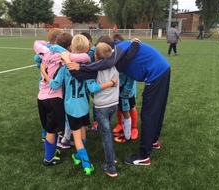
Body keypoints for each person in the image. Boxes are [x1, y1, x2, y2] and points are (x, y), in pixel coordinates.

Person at [64, 35, 170, 166]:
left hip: (156, 73)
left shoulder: (118, 50)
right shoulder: (120, 52)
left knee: (149, 113)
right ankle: (153, 140)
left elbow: (106, 63)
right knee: (156, 111)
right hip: (160, 70)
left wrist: (78, 66)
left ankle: (144, 156)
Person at [42, 35, 118, 175]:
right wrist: (111, 84)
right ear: (87, 49)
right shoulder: (88, 67)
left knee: (76, 136)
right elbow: (93, 88)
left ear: (71, 47)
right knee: (82, 130)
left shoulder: (65, 68)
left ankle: (86, 163)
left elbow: (55, 84)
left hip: (72, 108)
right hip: (84, 106)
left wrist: (44, 73)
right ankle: (78, 155)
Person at [111, 34, 139, 142]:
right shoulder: (114, 57)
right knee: (120, 107)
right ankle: (120, 124)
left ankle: (134, 128)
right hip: (118, 88)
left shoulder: (128, 58)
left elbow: (131, 77)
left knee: (131, 107)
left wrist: (126, 90)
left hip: (128, 89)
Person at [80, 32, 98, 131]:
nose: (89, 46)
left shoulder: (93, 52)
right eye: (87, 44)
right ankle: (85, 122)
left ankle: (96, 121)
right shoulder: (76, 55)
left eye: (90, 43)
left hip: (93, 80)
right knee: (84, 101)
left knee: (96, 100)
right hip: (82, 82)